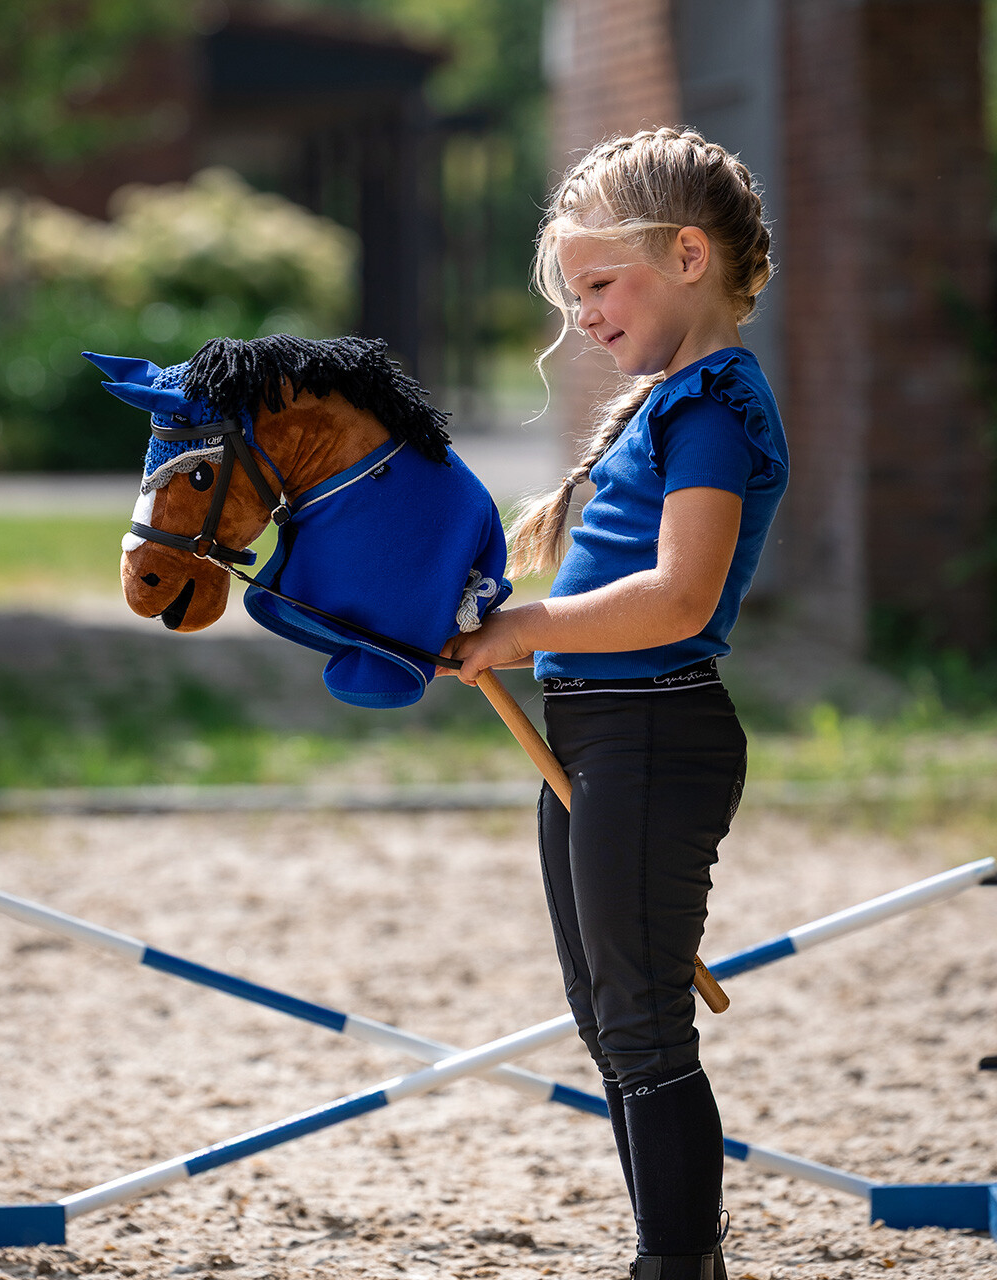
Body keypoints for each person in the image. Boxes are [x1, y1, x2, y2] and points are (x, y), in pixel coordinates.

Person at [440, 127, 789, 1280]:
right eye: (574, 292)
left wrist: (523, 629)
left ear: (688, 255)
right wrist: (493, 610)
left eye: (598, 283)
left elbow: (678, 596)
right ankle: (666, 1249)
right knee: (607, 1022)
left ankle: (677, 1263)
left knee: (643, 1030)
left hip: (656, 734)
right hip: (592, 733)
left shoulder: (711, 408)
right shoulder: (662, 401)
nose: (581, 314)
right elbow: (607, 574)